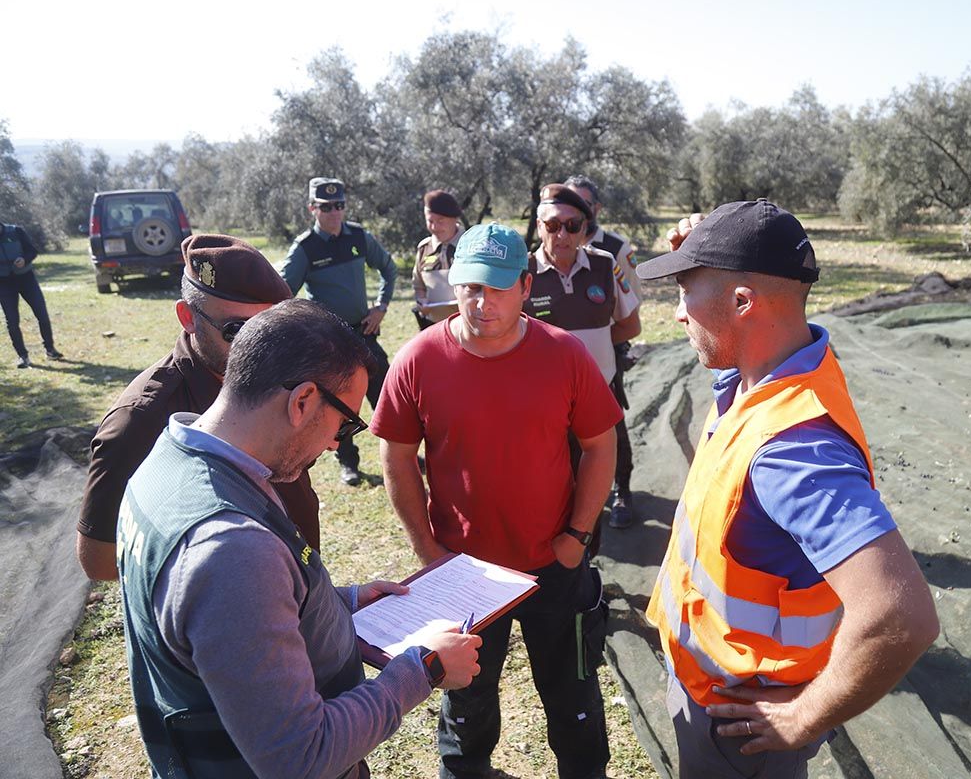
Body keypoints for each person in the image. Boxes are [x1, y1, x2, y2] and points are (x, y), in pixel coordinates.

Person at [636, 200, 940, 778]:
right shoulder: (773, 367)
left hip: (735, 727)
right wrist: (708, 251)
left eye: (684, 292)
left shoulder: (795, 453)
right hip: (708, 679)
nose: (678, 314)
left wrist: (805, 717)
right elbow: (741, 333)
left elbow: (903, 616)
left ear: (743, 303)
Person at [117, 298, 481, 779]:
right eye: (346, 423)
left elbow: (222, 624)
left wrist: (341, 601)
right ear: (303, 401)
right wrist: (425, 668)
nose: (337, 444)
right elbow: (301, 758)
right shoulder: (230, 551)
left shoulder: (168, 464)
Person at [371, 222, 620, 779]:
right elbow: (397, 457)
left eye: (499, 288)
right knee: (467, 699)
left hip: (553, 562)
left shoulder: (564, 354)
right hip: (465, 574)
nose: (483, 303)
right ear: (454, 284)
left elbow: (600, 447)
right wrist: (431, 553)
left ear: (526, 286)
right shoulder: (417, 360)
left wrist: (576, 538)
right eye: (471, 287)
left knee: (573, 694)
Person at [77, 234, 322, 581]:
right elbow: (98, 559)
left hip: (302, 589)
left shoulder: (279, 373)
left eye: (269, 330)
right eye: (237, 330)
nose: (258, 348)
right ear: (187, 317)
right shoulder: (141, 419)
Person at [524, 183, 640, 544]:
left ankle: (592, 567)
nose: (562, 234)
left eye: (572, 226)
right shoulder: (522, 271)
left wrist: (596, 351)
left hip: (598, 393)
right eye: (552, 225)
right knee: (556, 482)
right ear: (540, 225)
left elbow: (630, 324)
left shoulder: (605, 266)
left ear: (585, 229)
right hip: (545, 401)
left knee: (597, 480)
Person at [280, 177, 399, 486]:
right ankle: (348, 462)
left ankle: (405, 454)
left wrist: (381, 307)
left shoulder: (358, 236)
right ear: (312, 209)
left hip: (364, 333)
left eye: (339, 206)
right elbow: (282, 292)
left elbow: (388, 268)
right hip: (329, 341)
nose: (334, 213)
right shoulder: (305, 248)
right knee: (338, 405)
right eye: (326, 207)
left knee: (387, 395)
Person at [564, 176, 642, 528]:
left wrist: (595, 339)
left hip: (606, 354)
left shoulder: (614, 250)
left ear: (594, 209)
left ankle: (621, 491)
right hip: (562, 374)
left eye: (582, 206)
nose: (572, 216)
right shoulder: (549, 254)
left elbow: (630, 305)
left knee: (611, 428)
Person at [0, 221, 62, 368]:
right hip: (3, 283)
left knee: (42, 314)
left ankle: (50, 349)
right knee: (12, 321)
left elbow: (32, 251)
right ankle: (23, 356)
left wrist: (25, 259)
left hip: (26, 278)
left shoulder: (15, 231)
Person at [413, 189, 464, 330]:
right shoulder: (424, 248)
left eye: (441, 221)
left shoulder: (470, 245)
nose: (435, 227)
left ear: (454, 219)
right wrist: (421, 300)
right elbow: (418, 285)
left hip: (466, 326)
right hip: (433, 327)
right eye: (430, 221)